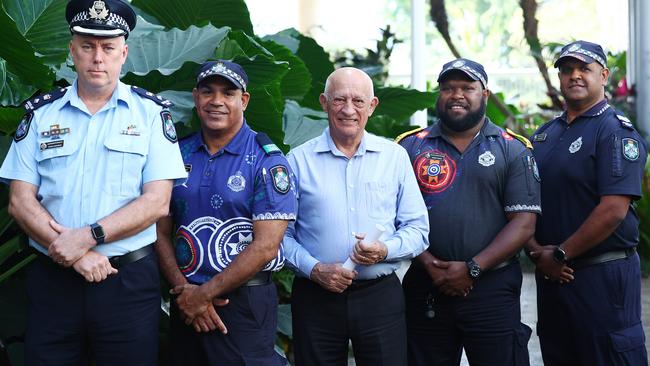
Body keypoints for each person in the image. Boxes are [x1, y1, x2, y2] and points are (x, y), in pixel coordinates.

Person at [0, 0, 187, 364]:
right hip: (54, 283)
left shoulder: (150, 114)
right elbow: (20, 201)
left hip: (127, 281)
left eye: (108, 47)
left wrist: (87, 239)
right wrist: (75, 256)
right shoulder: (41, 113)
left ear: (124, 53)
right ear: (72, 51)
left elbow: (156, 202)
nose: (97, 58)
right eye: (87, 46)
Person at [397, 58, 540, 366]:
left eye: (467, 87)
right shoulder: (409, 148)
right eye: (448, 88)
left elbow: (524, 224)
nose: (457, 94)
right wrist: (429, 264)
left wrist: (473, 268)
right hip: (426, 286)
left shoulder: (512, 149)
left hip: (492, 290)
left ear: (484, 95)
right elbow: (394, 216)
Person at [283, 67, 429, 366]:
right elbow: (279, 235)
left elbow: (418, 229)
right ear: (324, 102)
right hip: (315, 297)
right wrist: (314, 269)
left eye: (358, 101)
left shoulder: (394, 157)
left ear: (372, 106)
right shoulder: (297, 160)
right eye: (339, 100)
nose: (348, 110)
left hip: (379, 297)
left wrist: (385, 249)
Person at [154, 60, 296, 365]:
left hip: (243, 305)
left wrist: (204, 295)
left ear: (243, 100)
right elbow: (159, 230)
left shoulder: (267, 160)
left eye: (228, 93)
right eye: (208, 91)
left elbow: (266, 246)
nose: (216, 101)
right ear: (195, 97)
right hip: (185, 300)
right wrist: (186, 292)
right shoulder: (177, 154)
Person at [526, 40, 648, 366]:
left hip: (602, 274)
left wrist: (560, 253)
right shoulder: (545, 134)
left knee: (608, 355)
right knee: (558, 352)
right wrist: (537, 251)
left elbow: (613, 209)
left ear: (604, 75)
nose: (574, 76)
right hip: (552, 274)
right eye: (567, 70)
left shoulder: (615, 132)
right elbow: (525, 201)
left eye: (585, 68)